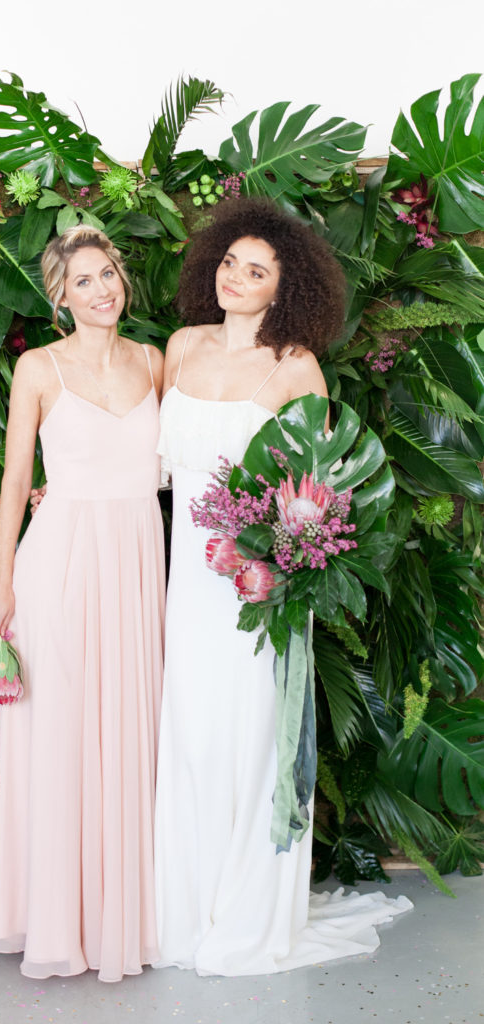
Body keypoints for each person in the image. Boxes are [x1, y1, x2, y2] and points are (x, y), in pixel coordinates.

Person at [154, 197, 411, 976]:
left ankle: (246, 910)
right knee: (189, 736)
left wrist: (274, 566)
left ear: (283, 287)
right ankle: (183, 909)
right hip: (181, 584)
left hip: (251, 587)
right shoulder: (180, 345)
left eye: (256, 270)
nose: (236, 277)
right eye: (229, 262)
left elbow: (317, 491)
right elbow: (151, 468)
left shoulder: (296, 366)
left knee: (249, 736)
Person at [0, 225, 166, 982]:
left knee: (128, 728)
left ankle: (124, 914)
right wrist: (0, 584)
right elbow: (17, 485)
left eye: (109, 275)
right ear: (59, 296)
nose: (102, 289)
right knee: (60, 735)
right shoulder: (37, 368)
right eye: (83, 281)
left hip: (135, 560)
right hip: (56, 565)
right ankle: (56, 921)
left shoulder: (154, 362)